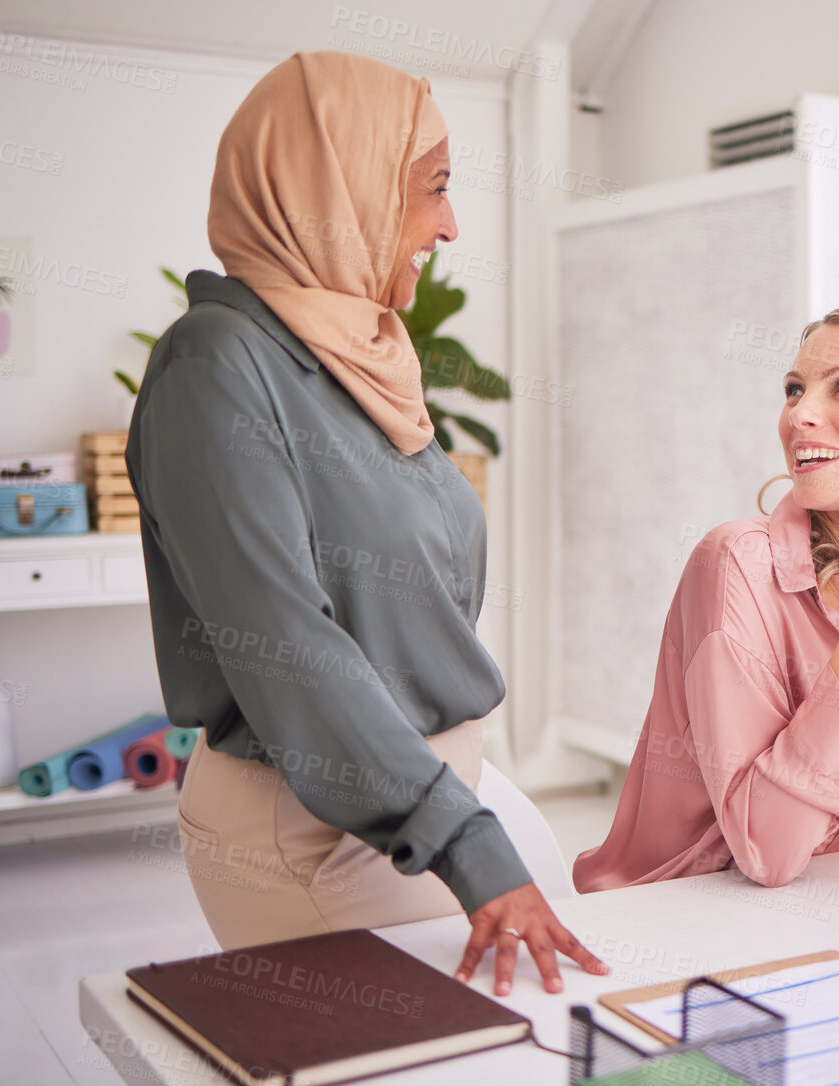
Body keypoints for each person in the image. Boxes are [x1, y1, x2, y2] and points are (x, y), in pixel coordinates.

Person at [126, 52, 605, 996]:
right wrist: (464, 840)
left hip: (425, 792)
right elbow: (283, 644)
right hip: (318, 828)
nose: (450, 224)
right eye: (432, 189)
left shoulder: (358, 354)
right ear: (332, 186)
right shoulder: (214, 365)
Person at [573, 299, 839, 892]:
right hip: (670, 926)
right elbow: (766, 852)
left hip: (833, 920)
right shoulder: (734, 565)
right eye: (793, 389)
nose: (800, 414)